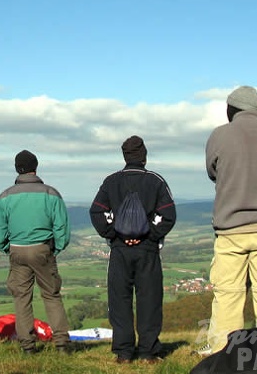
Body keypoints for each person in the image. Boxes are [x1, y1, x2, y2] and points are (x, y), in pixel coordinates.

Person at [200, 86, 257, 355]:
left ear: (231, 109)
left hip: (230, 229)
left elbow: (212, 172)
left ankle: (225, 357)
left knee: (228, 297)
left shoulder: (219, 135)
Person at [90, 135, 176, 364]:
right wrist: (148, 236)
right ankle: (148, 352)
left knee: (120, 301)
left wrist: (115, 234)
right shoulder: (156, 181)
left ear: (125, 157)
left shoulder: (111, 182)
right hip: (148, 251)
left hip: (119, 251)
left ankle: (124, 353)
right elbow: (169, 215)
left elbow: (97, 212)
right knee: (149, 299)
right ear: (144, 156)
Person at [0, 150, 71, 354]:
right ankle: (61, 343)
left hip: (17, 250)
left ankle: (27, 345)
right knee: (51, 295)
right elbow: (61, 226)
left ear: (17, 169)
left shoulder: (5, 196)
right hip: (43, 249)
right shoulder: (50, 193)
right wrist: (57, 247)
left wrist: (6, 247)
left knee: (21, 297)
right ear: (36, 167)